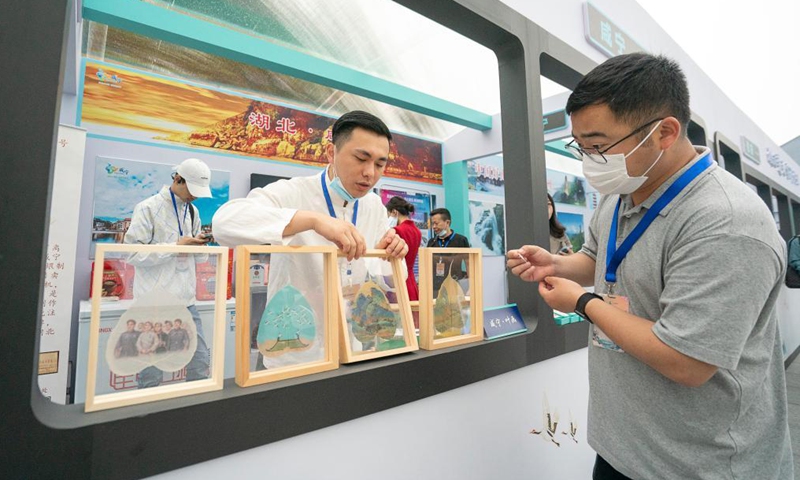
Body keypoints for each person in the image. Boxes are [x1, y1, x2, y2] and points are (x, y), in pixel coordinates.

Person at [507, 53, 792, 479]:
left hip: (701, 465)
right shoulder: (622, 192)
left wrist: (582, 302)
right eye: (580, 146)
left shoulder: (725, 223)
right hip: (622, 447)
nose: (589, 161)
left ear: (664, 132)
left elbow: (687, 361)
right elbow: (598, 258)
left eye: (599, 146)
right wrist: (559, 265)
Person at [213, 111, 408, 366]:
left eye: (380, 164)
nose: (370, 173)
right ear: (331, 153)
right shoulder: (293, 192)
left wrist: (391, 253)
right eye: (361, 158)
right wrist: (312, 220)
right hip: (293, 353)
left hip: (351, 349)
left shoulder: (372, 206)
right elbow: (224, 222)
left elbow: (389, 279)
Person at [123, 157, 214, 387]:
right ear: (178, 179)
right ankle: (146, 419)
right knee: (151, 369)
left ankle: (194, 413)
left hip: (186, 301)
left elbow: (199, 258)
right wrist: (176, 247)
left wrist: (199, 245)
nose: (196, 195)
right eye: (193, 189)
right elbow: (132, 254)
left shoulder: (192, 212)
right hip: (154, 303)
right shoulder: (147, 208)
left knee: (200, 361)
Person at [385, 196, 422, 328]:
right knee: (414, 322)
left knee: (400, 323)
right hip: (411, 279)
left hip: (398, 279)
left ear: (394, 212)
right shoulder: (417, 231)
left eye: (388, 214)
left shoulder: (396, 231)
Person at [426, 208, 470, 295]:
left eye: (436, 223)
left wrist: (471, 285)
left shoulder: (461, 240)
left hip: (454, 286)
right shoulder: (432, 242)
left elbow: (468, 263)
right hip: (435, 288)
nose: (434, 227)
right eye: (432, 224)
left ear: (447, 223)